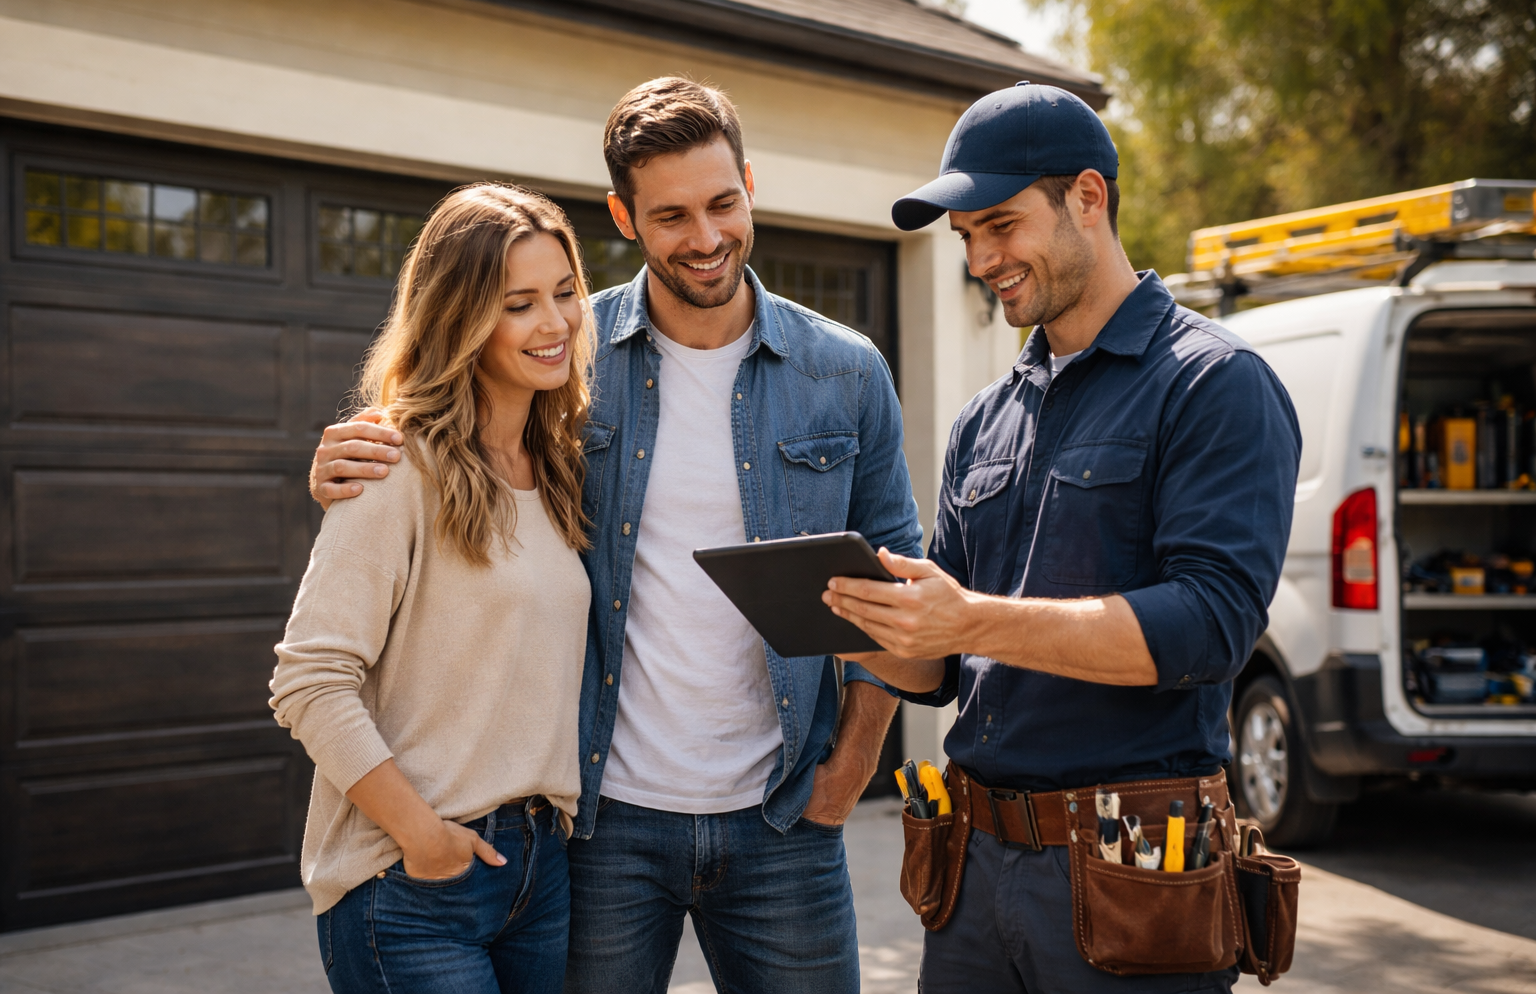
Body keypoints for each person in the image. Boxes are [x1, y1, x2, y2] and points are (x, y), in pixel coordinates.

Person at [307, 78, 922, 993]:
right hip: (601, 826)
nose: (706, 237)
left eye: (723, 203)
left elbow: (896, 580)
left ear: (751, 183)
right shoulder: (569, 358)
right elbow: (445, 436)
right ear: (624, 217)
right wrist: (346, 458)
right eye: (671, 214)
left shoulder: (845, 371)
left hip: (784, 817)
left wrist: (856, 761)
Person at [822, 83, 1302, 992]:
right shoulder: (984, 418)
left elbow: (1209, 627)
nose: (981, 260)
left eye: (1001, 225)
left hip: (1132, 879)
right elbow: (947, 670)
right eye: (966, 238)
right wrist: (883, 619)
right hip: (970, 875)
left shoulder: (1213, 386)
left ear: (1088, 196)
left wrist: (969, 621)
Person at [270, 184, 595, 994]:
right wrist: (423, 836)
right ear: (462, 318)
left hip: (540, 871)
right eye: (518, 304)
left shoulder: (557, 471)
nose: (554, 324)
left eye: (564, 294)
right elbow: (308, 681)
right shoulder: (394, 464)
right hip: (413, 884)